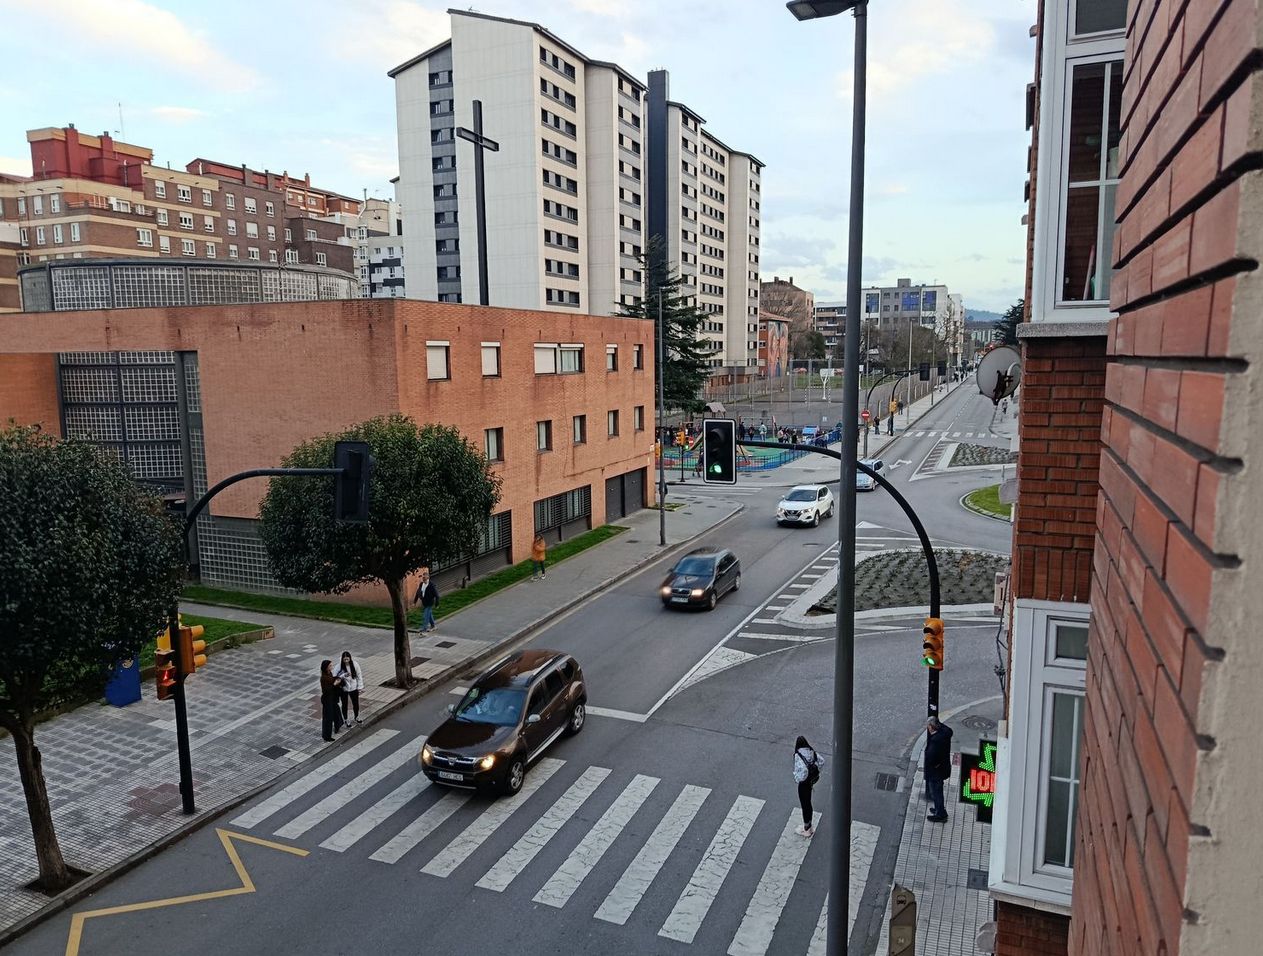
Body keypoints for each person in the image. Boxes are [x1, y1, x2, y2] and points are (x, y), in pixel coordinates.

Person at [924, 716, 954, 822]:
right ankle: (938, 809)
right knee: (938, 791)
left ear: (932, 727)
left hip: (936, 771)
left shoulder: (936, 741)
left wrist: (934, 765)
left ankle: (940, 814)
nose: (927, 728)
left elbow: (932, 757)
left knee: (936, 792)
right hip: (943, 768)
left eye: (928, 726)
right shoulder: (945, 733)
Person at [792, 735, 823, 837]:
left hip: (803, 784)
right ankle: (809, 826)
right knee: (808, 803)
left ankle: (807, 829)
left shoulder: (798, 755)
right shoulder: (811, 751)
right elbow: (821, 761)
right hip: (810, 782)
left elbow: (803, 770)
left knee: (804, 804)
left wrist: (798, 778)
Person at [335, 650, 362, 726]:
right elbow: (335, 677)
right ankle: (346, 719)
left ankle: (356, 717)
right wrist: (343, 675)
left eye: (347, 659)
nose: (346, 661)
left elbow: (359, 676)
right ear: (342, 659)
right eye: (345, 659)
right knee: (344, 704)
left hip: (353, 688)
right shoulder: (339, 666)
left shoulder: (355, 664)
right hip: (344, 688)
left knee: (355, 703)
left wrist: (359, 687)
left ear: (350, 658)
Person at [319, 660, 344, 742]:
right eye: (330, 666)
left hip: (332, 698)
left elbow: (332, 680)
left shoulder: (329, 673)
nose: (332, 667)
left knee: (337, 711)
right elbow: (326, 690)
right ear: (326, 667)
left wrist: (338, 678)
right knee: (328, 718)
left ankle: (337, 726)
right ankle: (326, 736)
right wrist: (334, 684)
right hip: (327, 700)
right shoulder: (323, 678)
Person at [414, 567, 440, 633]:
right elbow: (418, 592)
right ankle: (433, 626)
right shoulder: (421, 584)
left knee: (425, 615)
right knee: (429, 614)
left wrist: (437, 604)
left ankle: (424, 629)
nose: (423, 579)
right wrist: (415, 601)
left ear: (428, 578)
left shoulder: (431, 585)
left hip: (430, 602)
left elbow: (437, 595)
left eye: (424, 578)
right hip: (424, 602)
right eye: (423, 578)